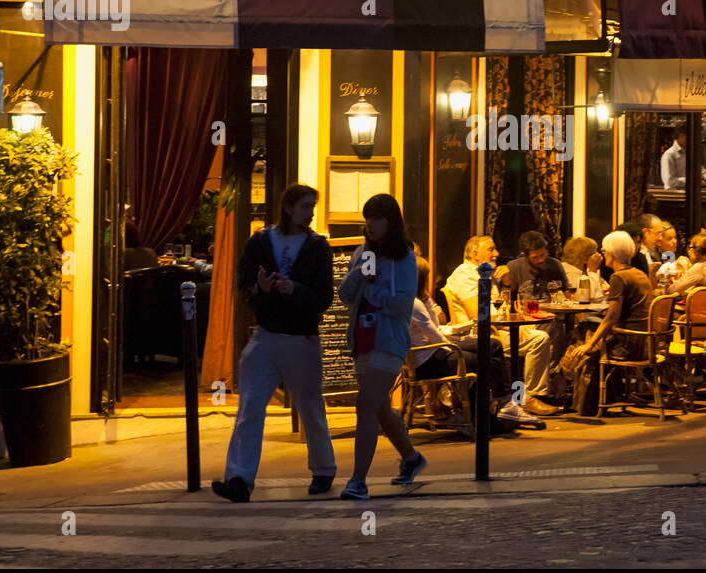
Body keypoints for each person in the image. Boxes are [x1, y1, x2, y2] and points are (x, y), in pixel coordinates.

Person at [213, 184, 336, 502]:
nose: (311, 213)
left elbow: (324, 297)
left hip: (302, 336)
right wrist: (261, 288)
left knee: (310, 407)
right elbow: (243, 286)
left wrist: (293, 289)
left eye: (313, 206)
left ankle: (323, 468)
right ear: (289, 208)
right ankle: (239, 478)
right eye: (306, 206)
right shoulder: (261, 241)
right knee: (250, 407)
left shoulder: (318, 247)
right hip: (266, 334)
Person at [336, 193, 424, 500]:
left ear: (391, 222)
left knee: (366, 407)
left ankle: (358, 480)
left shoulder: (405, 257)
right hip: (362, 340)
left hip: (389, 341)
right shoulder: (363, 252)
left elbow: (401, 305)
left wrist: (374, 290)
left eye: (376, 218)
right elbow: (345, 296)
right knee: (381, 408)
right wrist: (359, 273)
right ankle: (412, 457)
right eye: (366, 219)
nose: (369, 225)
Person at [409, 258, 530, 425]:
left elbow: (435, 326)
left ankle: (504, 402)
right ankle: (484, 411)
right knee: (484, 356)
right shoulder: (414, 303)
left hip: (432, 350)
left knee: (492, 345)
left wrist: (426, 297)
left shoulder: (415, 299)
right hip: (428, 358)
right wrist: (452, 345)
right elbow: (436, 334)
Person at [452, 234, 560, 416]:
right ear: (475, 253)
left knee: (543, 331)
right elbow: (479, 314)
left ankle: (524, 396)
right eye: (491, 249)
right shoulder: (464, 275)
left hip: (495, 330)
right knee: (538, 340)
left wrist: (507, 283)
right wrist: (509, 327)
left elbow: (502, 305)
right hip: (477, 335)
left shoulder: (484, 272)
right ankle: (526, 398)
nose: (497, 253)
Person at [573, 231, 655, 361]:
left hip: (627, 345)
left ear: (613, 253)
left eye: (604, 251)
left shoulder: (618, 277)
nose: (603, 254)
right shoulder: (638, 274)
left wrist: (589, 345)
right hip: (646, 342)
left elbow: (611, 317)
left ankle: (565, 378)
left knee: (579, 344)